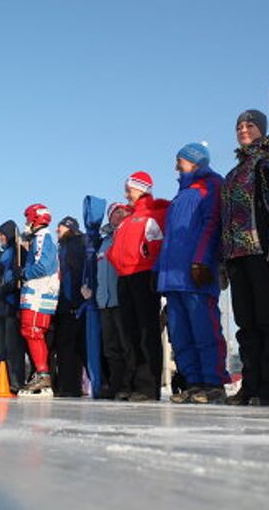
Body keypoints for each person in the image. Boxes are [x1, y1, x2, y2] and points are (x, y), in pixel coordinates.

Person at [224, 110, 269, 406]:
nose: (243, 129)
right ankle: (251, 385)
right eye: (239, 125)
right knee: (246, 325)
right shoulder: (234, 172)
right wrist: (222, 259)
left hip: (265, 249)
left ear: (262, 129)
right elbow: (225, 218)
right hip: (237, 253)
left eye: (250, 125)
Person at [158, 142, 232, 405]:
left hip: (196, 271)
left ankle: (213, 383)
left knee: (204, 329)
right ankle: (193, 382)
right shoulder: (182, 193)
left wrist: (202, 260)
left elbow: (211, 224)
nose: (176, 165)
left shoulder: (211, 184)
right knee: (180, 332)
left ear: (194, 160)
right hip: (173, 274)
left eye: (180, 160)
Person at [107, 171, 170, 401]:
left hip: (144, 275)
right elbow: (115, 249)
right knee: (129, 334)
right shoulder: (126, 220)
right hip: (125, 277)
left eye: (130, 189)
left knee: (146, 332)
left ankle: (147, 385)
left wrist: (153, 268)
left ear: (142, 188)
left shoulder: (153, 213)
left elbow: (158, 243)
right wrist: (117, 260)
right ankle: (130, 382)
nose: (126, 193)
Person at [82, 203, 134, 399]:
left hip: (122, 300)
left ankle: (129, 385)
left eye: (124, 211)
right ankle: (116, 384)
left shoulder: (126, 234)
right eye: (116, 212)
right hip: (104, 302)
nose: (120, 214)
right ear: (110, 217)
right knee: (110, 346)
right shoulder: (103, 243)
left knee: (125, 345)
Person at [17, 204, 60, 397]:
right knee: (31, 332)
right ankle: (41, 374)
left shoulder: (43, 238)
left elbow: (43, 266)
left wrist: (23, 272)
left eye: (28, 219)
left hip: (39, 292)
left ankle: (43, 374)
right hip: (36, 291)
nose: (26, 223)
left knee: (33, 331)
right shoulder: (38, 239)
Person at [0, 222, 26, 393]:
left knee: (13, 346)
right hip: (0, 306)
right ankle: (4, 380)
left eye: (3, 234)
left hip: (11, 304)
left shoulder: (18, 252)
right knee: (2, 346)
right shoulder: (4, 254)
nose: (0, 238)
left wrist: (10, 287)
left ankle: (16, 381)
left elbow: (19, 276)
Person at [54, 216, 87, 397]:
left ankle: (73, 386)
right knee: (67, 347)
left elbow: (75, 273)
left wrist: (77, 298)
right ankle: (69, 386)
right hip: (65, 304)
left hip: (76, 302)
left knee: (77, 346)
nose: (57, 231)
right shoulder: (63, 247)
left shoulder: (76, 243)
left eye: (60, 228)